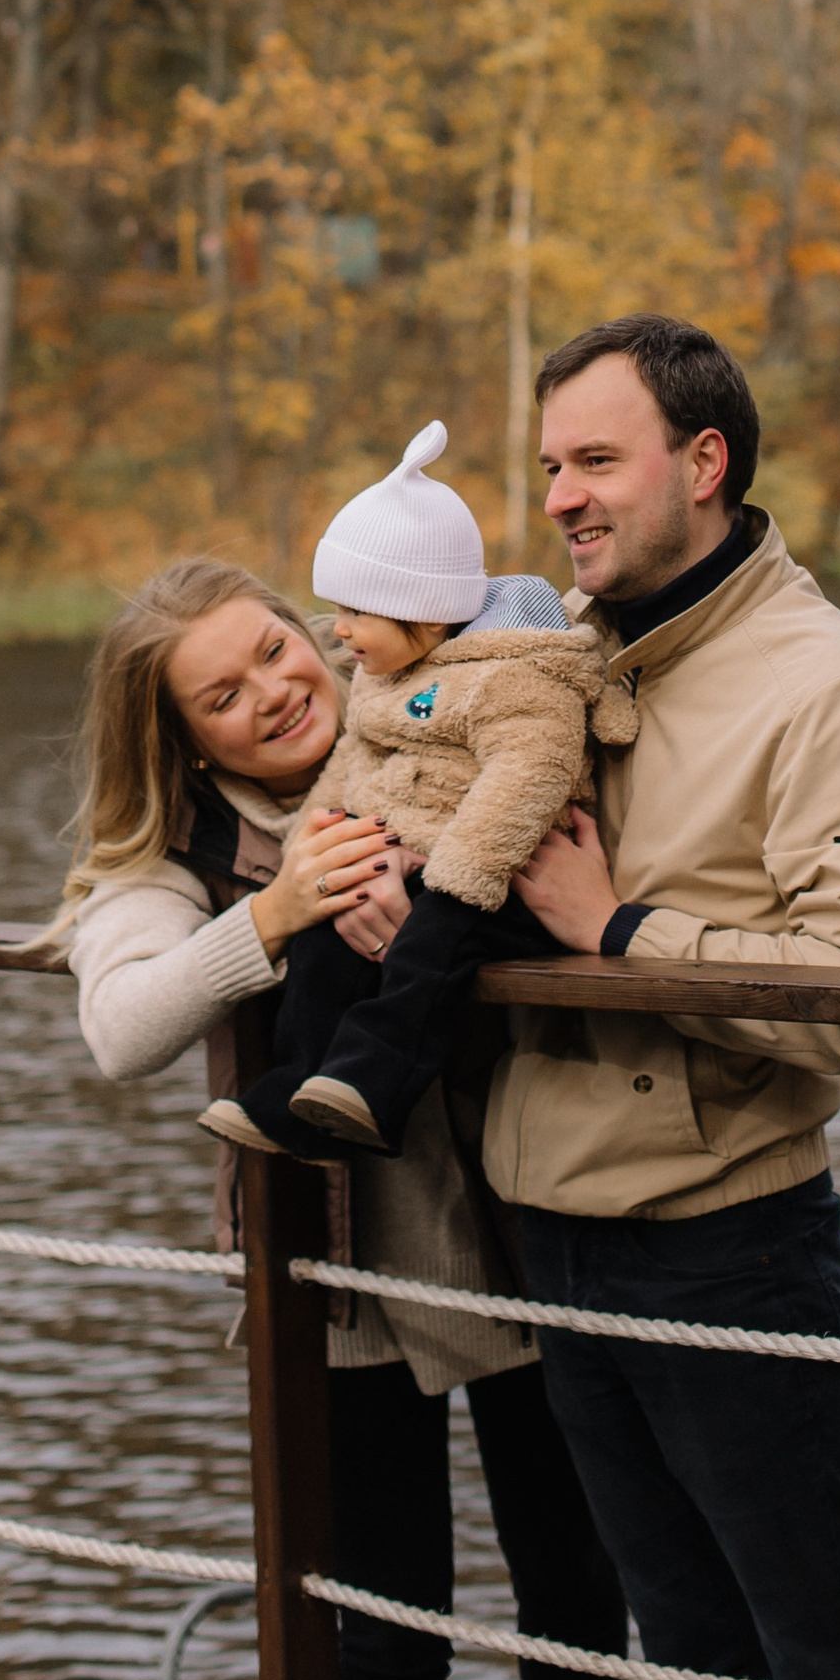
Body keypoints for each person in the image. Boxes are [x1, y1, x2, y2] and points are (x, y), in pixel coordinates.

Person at [57, 550, 630, 1680]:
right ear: (179, 740)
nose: (268, 692)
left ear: (322, 633)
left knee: (570, 1554)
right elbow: (123, 1028)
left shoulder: (426, 728)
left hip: (522, 1195)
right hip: (341, 1249)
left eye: (275, 650)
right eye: (219, 695)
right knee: (385, 1602)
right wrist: (276, 917)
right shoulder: (179, 856)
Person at [496, 312, 840, 1680]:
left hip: (727, 1242)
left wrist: (617, 929)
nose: (563, 493)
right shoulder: (548, 665)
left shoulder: (828, 683)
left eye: (597, 460)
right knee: (702, 1679)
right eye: (551, 463)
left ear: (704, 463)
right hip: (552, 1228)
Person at [199, 421, 618, 1160]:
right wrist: (317, 846)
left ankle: (374, 1085)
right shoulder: (387, 676)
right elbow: (354, 761)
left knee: (431, 944)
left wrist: (455, 874)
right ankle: (301, 1086)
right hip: (421, 860)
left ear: (421, 610)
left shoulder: (511, 677)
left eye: (357, 613)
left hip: (504, 876)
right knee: (326, 940)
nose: (340, 634)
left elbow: (530, 775)